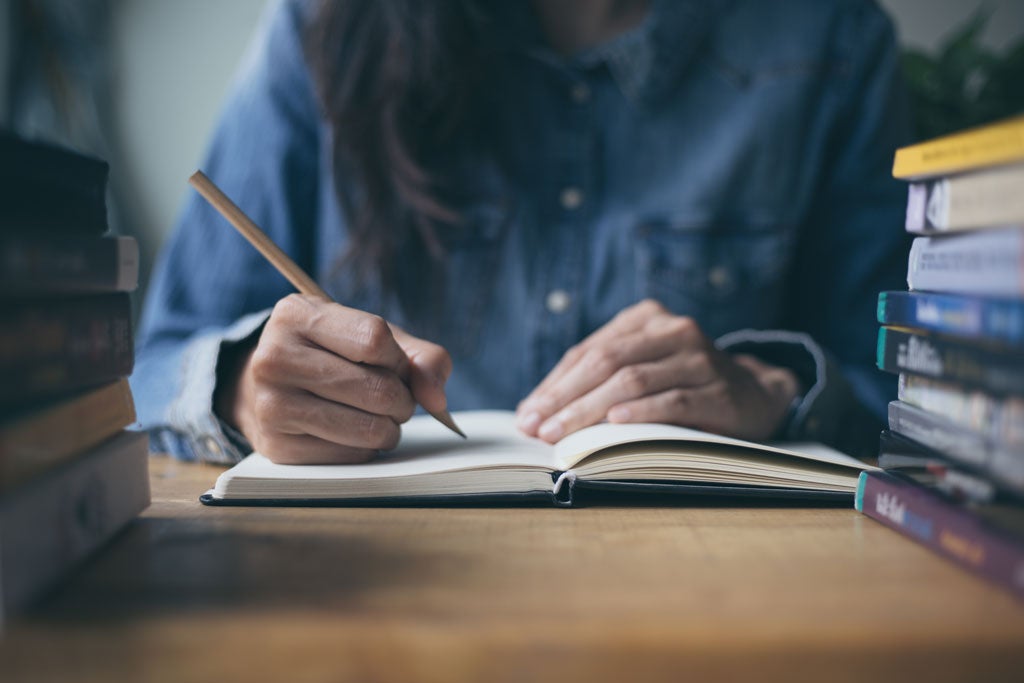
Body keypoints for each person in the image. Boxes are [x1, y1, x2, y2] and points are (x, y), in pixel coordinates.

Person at [132, 0, 912, 465]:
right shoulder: (324, 25)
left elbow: (911, 389)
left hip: (709, 592)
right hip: (370, 602)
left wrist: (772, 385)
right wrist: (242, 387)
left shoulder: (832, 43)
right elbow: (152, 369)